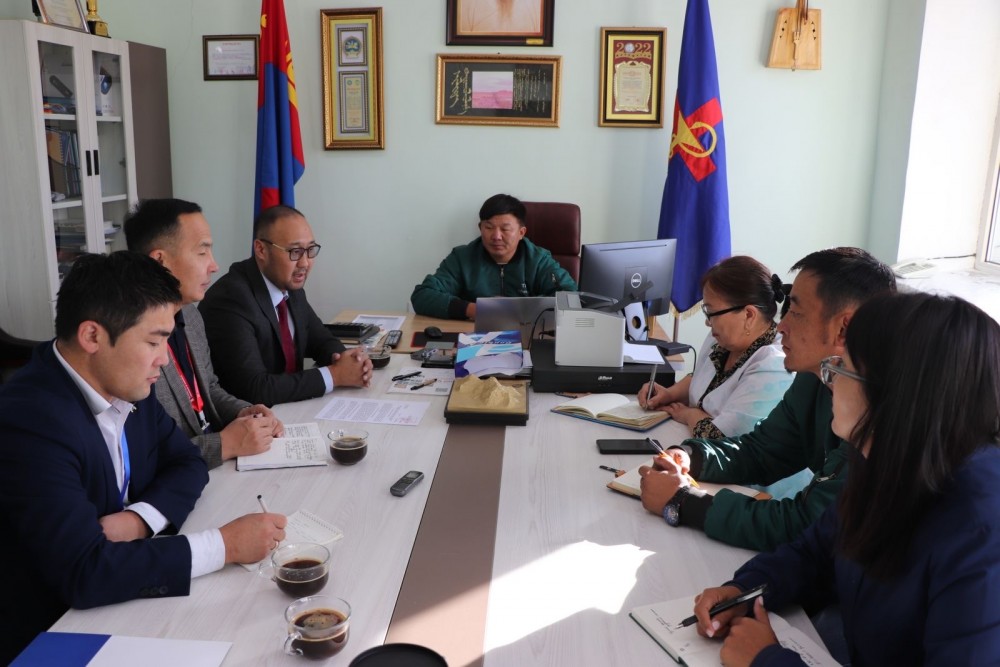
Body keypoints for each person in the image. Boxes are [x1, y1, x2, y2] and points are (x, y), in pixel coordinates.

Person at [0, 252, 287, 664]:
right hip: (51, 631)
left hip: (123, 599)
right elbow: (84, 571)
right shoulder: (30, 420)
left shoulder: (126, 382)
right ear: (92, 336)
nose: (164, 359)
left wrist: (140, 520)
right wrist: (223, 546)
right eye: (153, 342)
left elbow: (187, 461)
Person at [689, 293, 1000, 666]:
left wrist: (766, 661)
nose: (830, 381)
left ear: (894, 394)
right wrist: (745, 589)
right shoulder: (884, 461)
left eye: (842, 367)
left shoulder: (980, 529)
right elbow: (816, 552)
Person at [638, 247, 896, 551]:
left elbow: (807, 525)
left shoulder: (881, 411)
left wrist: (685, 501)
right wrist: (691, 456)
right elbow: (761, 451)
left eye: (796, 312)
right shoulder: (813, 379)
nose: (782, 326)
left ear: (843, 329)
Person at [124, 198, 283, 469]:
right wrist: (224, 444)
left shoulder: (190, 315)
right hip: (185, 476)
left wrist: (244, 412)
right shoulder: (127, 339)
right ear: (160, 261)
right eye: (202, 252)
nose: (214, 265)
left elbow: (207, 388)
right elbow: (142, 455)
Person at [199, 205, 373, 407]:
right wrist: (335, 375)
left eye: (310, 250)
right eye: (295, 251)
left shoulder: (289, 285)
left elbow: (320, 339)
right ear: (261, 250)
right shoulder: (231, 299)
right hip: (250, 419)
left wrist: (350, 360)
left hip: (290, 410)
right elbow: (254, 389)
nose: (305, 263)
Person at [638, 255, 792, 439]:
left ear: (749, 315)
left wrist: (689, 414)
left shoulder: (774, 365)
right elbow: (702, 378)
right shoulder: (721, 339)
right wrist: (669, 394)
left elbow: (723, 437)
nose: (707, 322)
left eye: (711, 312)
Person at [410, 193, 577, 320]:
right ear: (480, 228)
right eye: (489, 227)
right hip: (474, 337)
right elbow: (422, 295)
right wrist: (476, 310)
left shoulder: (538, 259)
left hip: (528, 336)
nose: (496, 236)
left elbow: (570, 296)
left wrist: (518, 308)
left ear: (521, 232)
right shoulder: (462, 258)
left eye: (505, 229)